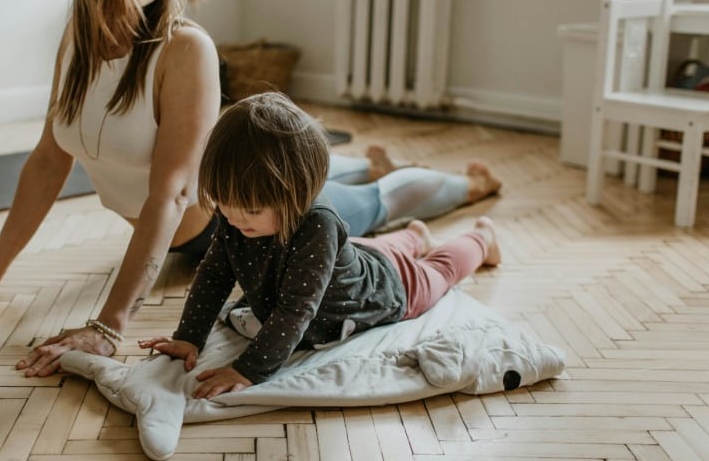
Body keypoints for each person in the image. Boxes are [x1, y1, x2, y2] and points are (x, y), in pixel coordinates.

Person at [0, 0, 501, 378]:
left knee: (371, 204)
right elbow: (47, 161)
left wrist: (108, 327)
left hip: (240, 223)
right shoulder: (77, 40)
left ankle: (463, 187)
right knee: (352, 190)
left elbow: (170, 195)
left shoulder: (185, 49)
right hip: (221, 210)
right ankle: (369, 168)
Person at [138, 92, 500, 399]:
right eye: (224, 204)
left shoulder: (318, 225)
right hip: (355, 256)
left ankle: (482, 238)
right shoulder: (237, 217)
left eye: (249, 209)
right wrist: (189, 337)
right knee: (374, 250)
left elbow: (296, 310)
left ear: (296, 194)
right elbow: (215, 274)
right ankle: (416, 235)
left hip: (388, 287)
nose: (233, 219)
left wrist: (247, 370)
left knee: (439, 270)